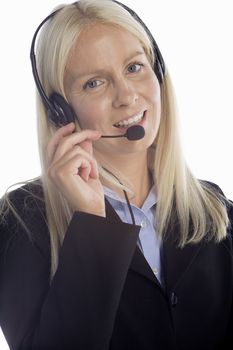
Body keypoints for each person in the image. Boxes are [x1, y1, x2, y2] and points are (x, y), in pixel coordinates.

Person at [0, 0, 232, 349]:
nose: (127, 96)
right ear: (60, 111)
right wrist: (91, 220)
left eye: (134, 67)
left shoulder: (213, 209)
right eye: (94, 83)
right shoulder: (21, 222)